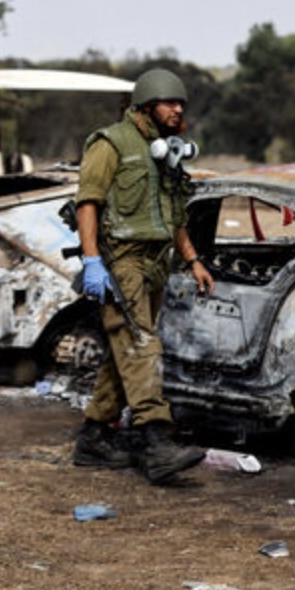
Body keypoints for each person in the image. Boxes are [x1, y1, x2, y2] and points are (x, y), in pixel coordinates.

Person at [70, 67, 214, 485]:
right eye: (170, 103)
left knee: (126, 352)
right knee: (141, 345)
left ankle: (93, 437)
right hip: (122, 261)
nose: (178, 110)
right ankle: (156, 441)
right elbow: (88, 203)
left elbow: (175, 216)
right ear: (147, 106)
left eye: (181, 104)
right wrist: (92, 260)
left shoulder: (166, 152)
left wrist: (193, 260)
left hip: (156, 262)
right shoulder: (111, 143)